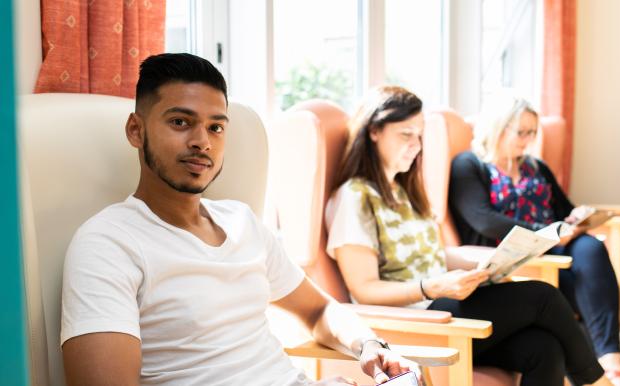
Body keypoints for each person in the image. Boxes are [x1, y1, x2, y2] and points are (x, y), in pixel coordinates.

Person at [61, 53, 418, 386]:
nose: (202, 142)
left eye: (215, 127)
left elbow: (320, 309)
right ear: (136, 130)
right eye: (180, 122)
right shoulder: (108, 244)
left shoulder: (241, 221)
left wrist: (369, 345)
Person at [325, 86, 614, 386]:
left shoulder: (403, 191)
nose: (416, 144)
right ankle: (600, 384)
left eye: (419, 135)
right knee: (542, 297)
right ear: (374, 131)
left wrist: (488, 263)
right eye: (405, 134)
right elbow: (365, 289)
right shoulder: (354, 197)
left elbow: (434, 255)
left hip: (437, 303)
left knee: (544, 348)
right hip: (412, 321)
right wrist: (432, 287)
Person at [448, 95, 620, 386]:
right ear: (498, 127)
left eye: (532, 132)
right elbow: (482, 219)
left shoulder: (536, 166)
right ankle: (602, 378)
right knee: (557, 298)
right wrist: (542, 231)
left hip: (554, 248)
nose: (528, 140)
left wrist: (577, 216)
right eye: (521, 132)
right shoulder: (470, 164)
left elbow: (564, 209)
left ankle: (612, 364)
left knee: (591, 248)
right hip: (510, 256)